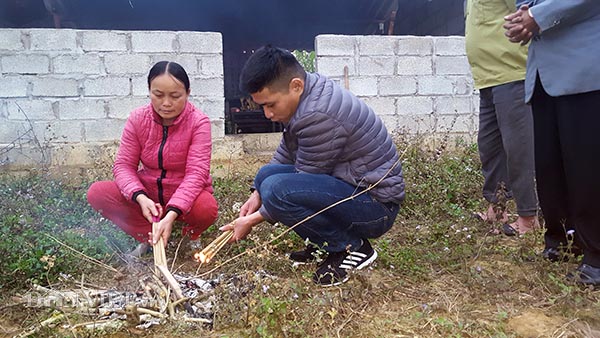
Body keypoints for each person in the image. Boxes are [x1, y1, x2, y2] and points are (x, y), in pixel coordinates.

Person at [219, 46, 405, 286]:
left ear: (296, 86)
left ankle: (351, 248)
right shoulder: (308, 93)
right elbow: (288, 149)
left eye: (270, 105)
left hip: (375, 205)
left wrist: (253, 219)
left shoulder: (318, 114)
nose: (267, 114)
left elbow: (300, 182)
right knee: (266, 177)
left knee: (277, 191)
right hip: (350, 184)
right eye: (262, 106)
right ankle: (323, 244)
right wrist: (256, 194)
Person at [504, 1, 600, 285]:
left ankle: (597, 255)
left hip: (584, 66)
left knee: (587, 167)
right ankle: (562, 241)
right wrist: (525, 12)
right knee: (550, 165)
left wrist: (536, 15)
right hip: (544, 73)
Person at [87, 61, 218, 256]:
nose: (166, 103)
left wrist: (172, 212)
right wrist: (140, 197)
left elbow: (196, 174)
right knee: (98, 193)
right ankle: (148, 237)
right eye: (158, 95)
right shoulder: (138, 119)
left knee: (206, 208)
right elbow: (123, 166)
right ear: (149, 91)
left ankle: (187, 237)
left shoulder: (199, 123)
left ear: (188, 93)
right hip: (148, 192)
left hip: (183, 192)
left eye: (175, 96)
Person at [464, 0, 539, 236]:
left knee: (518, 149)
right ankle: (496, 208)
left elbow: (527, 12)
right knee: (490, 147)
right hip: (487, 77)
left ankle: (529, 216)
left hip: (511, 72)